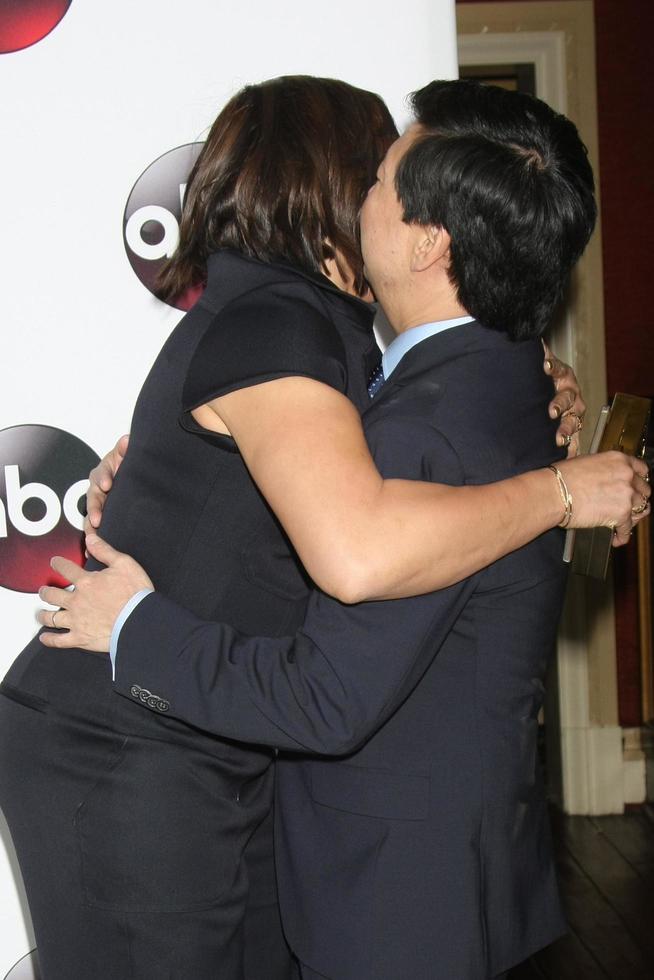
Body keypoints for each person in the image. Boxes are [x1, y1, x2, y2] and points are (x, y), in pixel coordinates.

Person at [0, 75, 647, 980]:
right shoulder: (284, 323)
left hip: (226, 748)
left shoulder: (369, 349)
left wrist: (544, 387)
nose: (369, 190)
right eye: (374, 165)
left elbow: (408, 432)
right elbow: (355, 548)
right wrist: (566, 490)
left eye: (386, 173)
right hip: (131, 745)